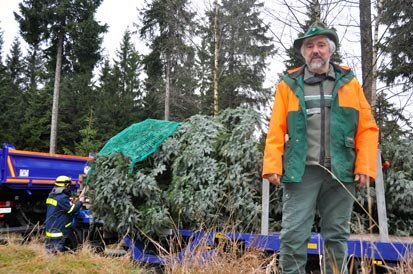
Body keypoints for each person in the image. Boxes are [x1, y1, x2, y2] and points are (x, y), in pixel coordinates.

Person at [262, 21, 379, 274]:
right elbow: (276, 129)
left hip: (341, 171)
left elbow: (367, 128)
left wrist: (365, 166)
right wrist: (272, 165)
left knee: (337, 237)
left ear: (331, 50)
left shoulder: (349, 83)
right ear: (303, 53)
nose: (315, 50)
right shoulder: (289, 85)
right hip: (301, 171)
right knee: (293, 235)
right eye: (309, 46)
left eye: (321, 45)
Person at [45, 175, 85, 253]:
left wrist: (69, 201)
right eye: (68, 184)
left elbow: (60, 207)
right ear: (66, 185)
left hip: (51, 229)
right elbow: (71, 210)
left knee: (50, 252)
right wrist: (80, 202)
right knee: (56, 252)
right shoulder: (62, 198)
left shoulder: (52, 195)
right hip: (59, 231)